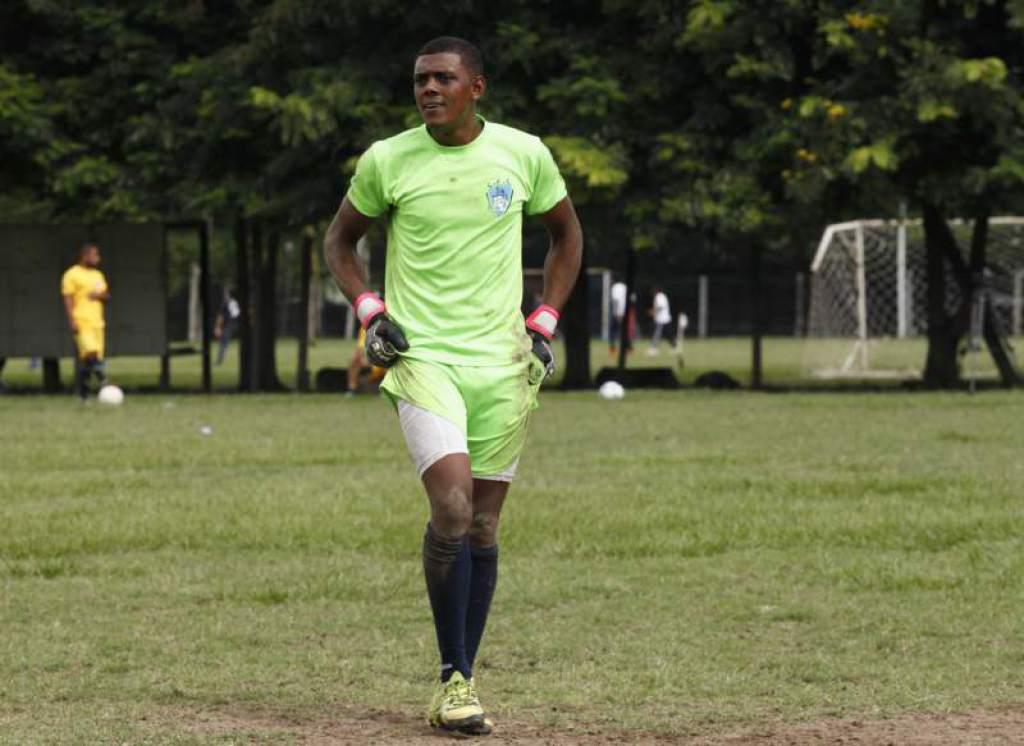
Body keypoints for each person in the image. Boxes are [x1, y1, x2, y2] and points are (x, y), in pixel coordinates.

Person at [323, 36, 583, 736]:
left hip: (503, 363)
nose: (428, 90)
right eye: (420, 81)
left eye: (443, 79)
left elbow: (567, 236)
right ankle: (453, 678)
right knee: (453, 507)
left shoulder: (523, 154)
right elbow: (339, 242)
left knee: (487, 525)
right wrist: (371, 311)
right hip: (423, 360)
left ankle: (463, 677)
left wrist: (545, 318)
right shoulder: (388, 159)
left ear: (478, 87)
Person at [61, 243, 110, 400]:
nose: (98, 259)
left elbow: (107, 296)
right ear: (85, 256)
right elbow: (67, 299)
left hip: (97, 323)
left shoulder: (98, 275)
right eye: (95, 255)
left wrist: (99, 296)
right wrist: (71, 320)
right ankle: (104, 381)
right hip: (82, 321)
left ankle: (83, 395)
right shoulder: (71, 275)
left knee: (89, 360)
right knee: (91, 353)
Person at [213, 287, 241, 365]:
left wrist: (218, 327)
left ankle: (219, 361)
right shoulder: (235, 302)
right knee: (225, 343)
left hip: (227, 325)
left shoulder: (225, 303)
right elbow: (237, 314)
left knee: (223, 343)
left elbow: (220, 316)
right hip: (235, 324)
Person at [648, 286, 672, 354]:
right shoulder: (662, 296)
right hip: (664, 318)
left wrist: (653, 311)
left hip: (661, 318)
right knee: (667, 334)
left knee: (657, 333)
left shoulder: (659, 296)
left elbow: (660, 306)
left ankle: (653, 348)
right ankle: (674, 346)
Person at [609, 278, 626, 356]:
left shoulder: (615, 287)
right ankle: (628, 348)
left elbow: (616, 301)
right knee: (623, 331)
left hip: (617, 313)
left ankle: (613, 348)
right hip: (624, 312)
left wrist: (616, 313)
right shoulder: (625, 286)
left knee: (612, 331)